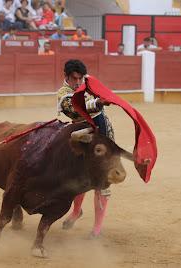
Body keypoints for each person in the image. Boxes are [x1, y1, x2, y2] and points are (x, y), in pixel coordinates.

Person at [57, 59, 114, 238]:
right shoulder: (63, 94)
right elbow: (74, 109)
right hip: (80, 140)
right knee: (77, 180)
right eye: (74, 79)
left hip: (102, 136)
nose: (78, 82)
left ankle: (97, 228)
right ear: (66, 77)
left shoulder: (87, 85)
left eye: (81, 78)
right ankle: (76, 212)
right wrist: (98, 103)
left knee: (101, 183)